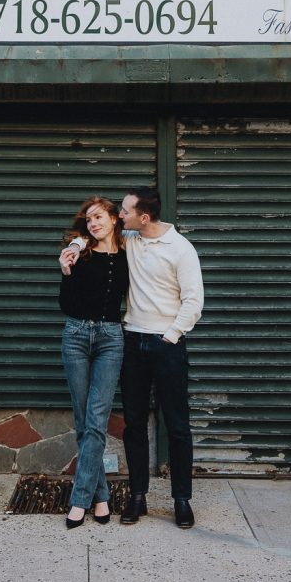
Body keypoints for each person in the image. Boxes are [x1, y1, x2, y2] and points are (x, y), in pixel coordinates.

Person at [65, 187, 204, 529]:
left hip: (167, 343)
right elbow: (92, 232)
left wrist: (169, 337)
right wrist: (74, 246)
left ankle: (181, 500)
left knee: (177, 424)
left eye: (125, 211)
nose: (120, 214)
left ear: (143, 217)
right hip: (129, 340)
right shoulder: (130, 237)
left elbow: (194, 301)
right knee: (134, 424)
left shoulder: (181, 249)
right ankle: (138, 496)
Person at [58, 196, 129, 529]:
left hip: (111, 339)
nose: (93, 223)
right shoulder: (80, 253)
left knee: (96, 419)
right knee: (84, 420)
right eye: (88, 220)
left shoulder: (131, 253)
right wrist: (67, 271)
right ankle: (100, 497)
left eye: (99, 217)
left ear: (114, 219)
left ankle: (79, 500)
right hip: (75, 334)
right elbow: (66, 304)